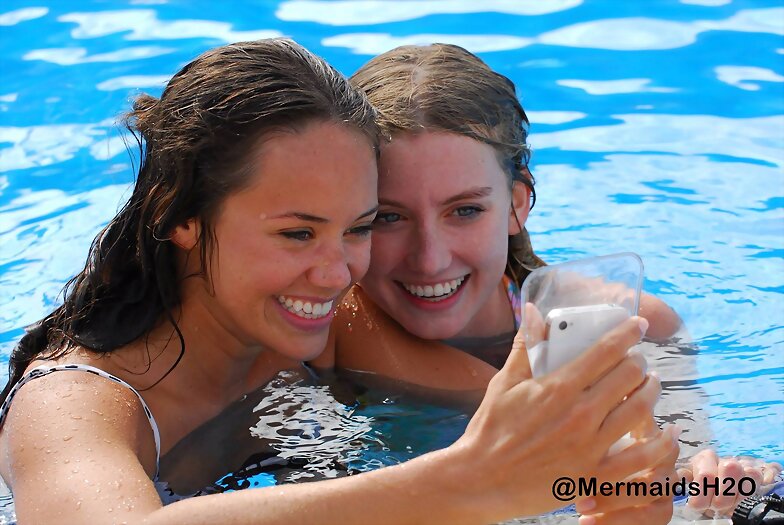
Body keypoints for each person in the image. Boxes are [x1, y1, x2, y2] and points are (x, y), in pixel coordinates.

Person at [0, 38, 676, 525]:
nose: (338, 273)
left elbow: (553, 438)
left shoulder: (305, 334)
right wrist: (468, 481)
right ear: (177, 213)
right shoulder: (71, 402)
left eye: (357, 228)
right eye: (298, 232)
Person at [311, 43, 780, 517]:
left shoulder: (636, 325)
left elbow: (682, 472)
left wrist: (724, 484)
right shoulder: (317, 333)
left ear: (517, 203)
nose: (430, 260)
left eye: (466, 210)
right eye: (390, 217)